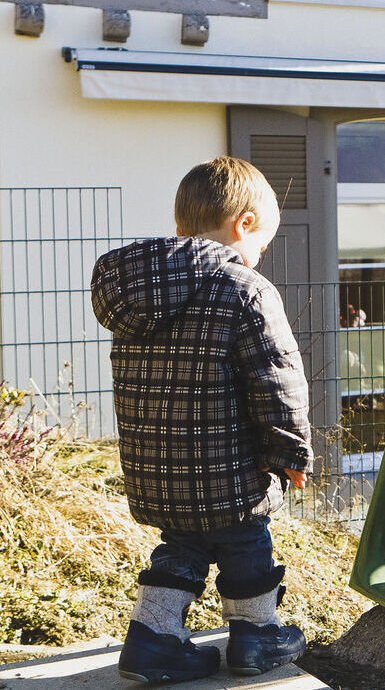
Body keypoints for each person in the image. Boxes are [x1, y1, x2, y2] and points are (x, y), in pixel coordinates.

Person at [91, 157, 313, 684]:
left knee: (181, 545)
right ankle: (256, 636)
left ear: (181, 224)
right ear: (245, 224)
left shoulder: (140, 294)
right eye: (263, 245)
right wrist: (289, 451)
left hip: (157, 470)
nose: (259, 257)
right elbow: (275, 379)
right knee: (246, 542)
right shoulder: (246, 289)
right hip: (229, 468)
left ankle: (152, 638)